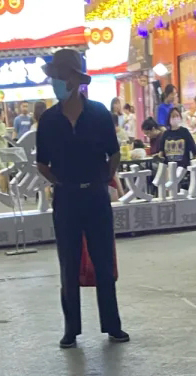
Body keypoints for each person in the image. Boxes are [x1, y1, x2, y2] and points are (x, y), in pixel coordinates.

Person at [35, 49, 128, 349]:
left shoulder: (99, 113)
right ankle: (71, 330)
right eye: (53, 78)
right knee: (69, 263)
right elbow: (42, 163)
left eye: (59, 77)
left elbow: (114, 154)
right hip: (66, 199)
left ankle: (112, 325)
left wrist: (102, 179)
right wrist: (60, 183)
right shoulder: (48, 120)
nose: (55, 83)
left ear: (74, 80)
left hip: (96, 197)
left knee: (103, 262)